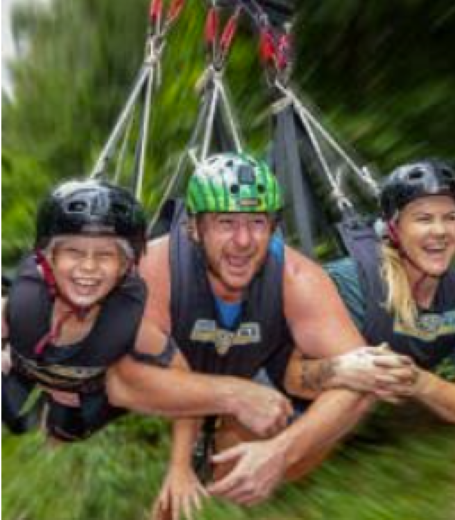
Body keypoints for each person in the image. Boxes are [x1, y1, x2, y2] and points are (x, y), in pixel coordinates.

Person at [143, 153, 407, 519]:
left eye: (256, 222)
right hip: (178, 369)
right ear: (195, 228)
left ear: (272, 228)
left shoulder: (298, 279)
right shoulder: (157, 269)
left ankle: (257, 441)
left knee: (361, 374)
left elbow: (367, 384)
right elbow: (160, 374)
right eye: (226, 222)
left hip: (264, 370)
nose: (243, 240)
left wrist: (281, 451)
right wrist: (178, 464)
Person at [2, 179, 293, 442]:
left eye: (105, 255)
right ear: (47, 259)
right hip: (25, 361)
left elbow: (183, 381)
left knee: (66, 431)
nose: (88, 268)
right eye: (73, 252)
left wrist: (180, 467)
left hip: (82, 388)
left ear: (127, 267)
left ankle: (56, 412)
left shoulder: (132, 321)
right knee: (12, 415)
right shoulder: (21, 304)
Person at [285, 158, 455, 428]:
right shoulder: (347, 284)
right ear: (394, 230)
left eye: (450, 218)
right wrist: (340, 372)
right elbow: (287, 374)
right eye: (423, 219)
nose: (440, 231)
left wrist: (420, 382)